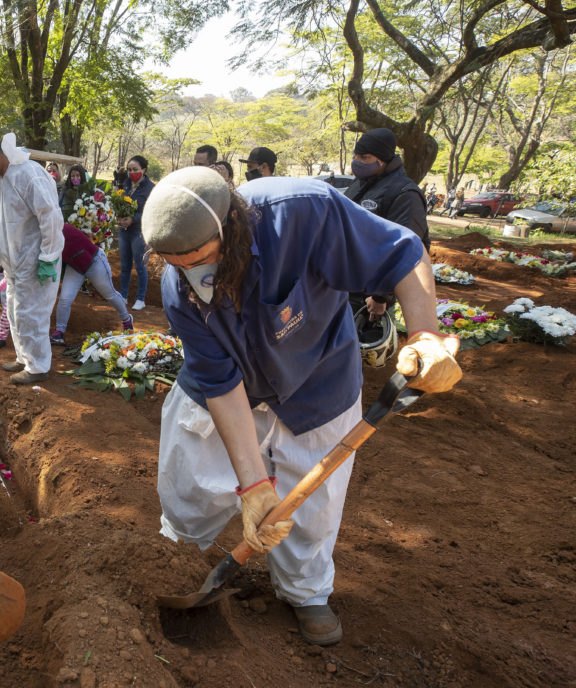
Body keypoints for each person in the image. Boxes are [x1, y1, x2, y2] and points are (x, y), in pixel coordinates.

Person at [143, 167, 461, 647]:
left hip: (318, 381)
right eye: (177, 264)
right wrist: (253, 487)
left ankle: (305, 592)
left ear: (232, 227)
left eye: (202, 259)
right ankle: (179, 563)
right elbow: (220, 383)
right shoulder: (180, 290)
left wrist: (424, 335)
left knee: (314, 508)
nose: (195, 275)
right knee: (191, 487)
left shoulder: (302, 211)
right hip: (233, 392)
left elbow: (402, 253)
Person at [0, 132, 64, 384]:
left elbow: (50, 218)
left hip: (35, 259)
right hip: (12, 261)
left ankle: (38, 366)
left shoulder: (29, 175)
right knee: (13, 310)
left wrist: (48, 256)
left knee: (31, 313)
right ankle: (24, 358)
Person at [344, 128, 431, 324]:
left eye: (364, 157)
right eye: (356, 155)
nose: (357, 161)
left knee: (366, 350)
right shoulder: (359, 184)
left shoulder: (404, 194)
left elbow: (405, 249)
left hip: (370, 294)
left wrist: (381, 296)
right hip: (347, 284)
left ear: (382, 159)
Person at [50, 223, 133, 344]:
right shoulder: (46, 234)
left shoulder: (61, 228)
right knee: (65, 299)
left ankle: (126, 319)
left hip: (94, 260)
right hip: (76, 266)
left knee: (109, 294)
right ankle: (59, 332)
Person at [118, 155, 154, 311]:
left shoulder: (149, 188)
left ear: (144, 170)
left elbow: (150, 210)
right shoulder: (126, 184)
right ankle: (123, 296)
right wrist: (119, 216)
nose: (132, 173)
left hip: (139, 231)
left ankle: (140, 299)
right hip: (123, 230)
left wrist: (134, 219)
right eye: (129, 170)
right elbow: (119, 202)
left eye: (135, 170)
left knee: (140, 266)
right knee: (125, 265)